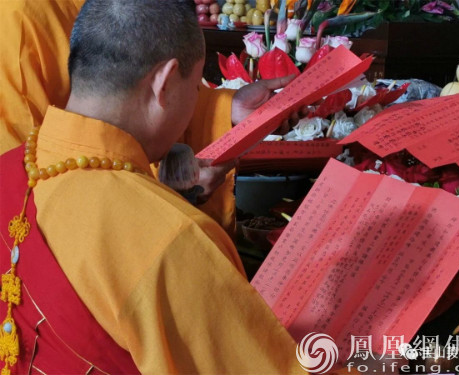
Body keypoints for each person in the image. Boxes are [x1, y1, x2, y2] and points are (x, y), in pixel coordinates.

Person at [0, 1, 306, 374]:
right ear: (165, 82)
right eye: (197, 86)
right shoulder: (170, 239)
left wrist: (226, 109)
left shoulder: (9, 170)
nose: (196, 98)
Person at [0, 0, 299, 235]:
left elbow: (140, 86)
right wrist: (167, 189)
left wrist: (226, 108)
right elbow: (25, 188)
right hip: (94, 230)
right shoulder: (20, 19)